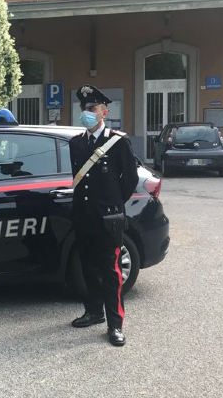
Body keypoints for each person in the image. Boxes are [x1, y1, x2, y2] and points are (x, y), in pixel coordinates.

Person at [68, 84, 139, 347]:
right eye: (84, 108)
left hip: (109, 219)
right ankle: (94, 311)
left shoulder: (118, 142)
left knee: (111, 272)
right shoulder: (76, 143)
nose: (87, 112)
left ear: (104, 112)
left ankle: (115, 324)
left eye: (92, 108)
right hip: (84, 216)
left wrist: (112, 204)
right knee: (88, 267)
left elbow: (130, 180)